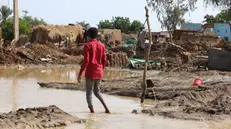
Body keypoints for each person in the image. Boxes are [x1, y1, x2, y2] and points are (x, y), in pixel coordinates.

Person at [77, 27, 110, 114]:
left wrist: (80, 73)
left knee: (89, 93)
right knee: (97, 92)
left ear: (88, 35)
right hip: (99, 72)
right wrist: (101, 70)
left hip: (90, 72)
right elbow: (104, 60)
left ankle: (92, 113)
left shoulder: (87, 45)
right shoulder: (102, 46)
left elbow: (86, 61)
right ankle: (106, 109)